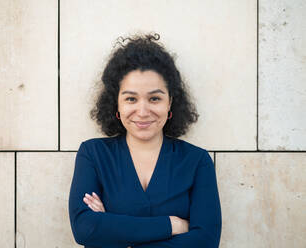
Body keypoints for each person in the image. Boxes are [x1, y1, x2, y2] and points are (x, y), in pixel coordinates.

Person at [68, 33, 222, 248]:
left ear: (170, 103)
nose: (142, 111)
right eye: (131, 98)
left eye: (154, 99)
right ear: (117, 104)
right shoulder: (93, 154)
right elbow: (85, 228)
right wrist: (171, 226)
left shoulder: (197, 161)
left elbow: (205, 241)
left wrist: (115, 233)